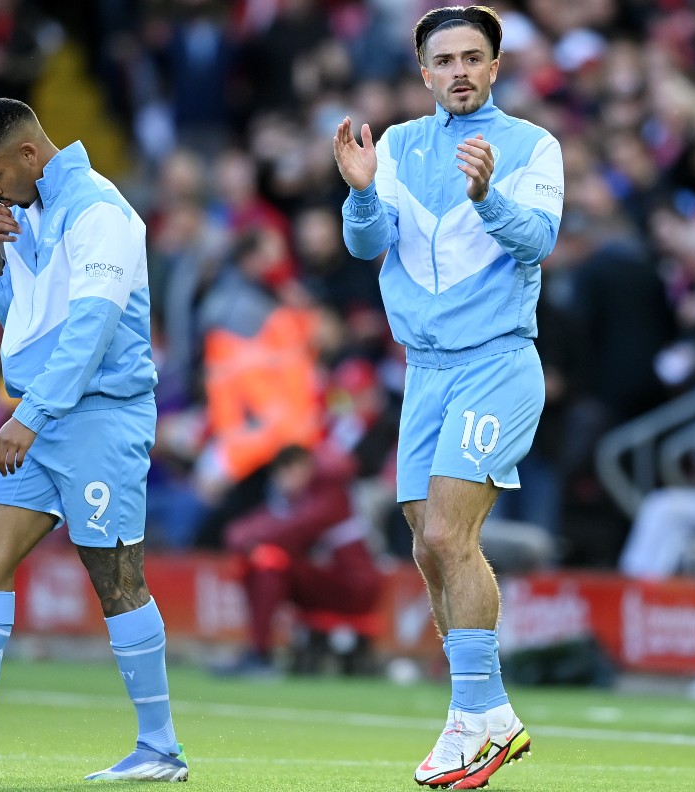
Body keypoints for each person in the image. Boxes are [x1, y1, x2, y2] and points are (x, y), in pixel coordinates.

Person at [0, 98, 188, 782]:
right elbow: (23, 322)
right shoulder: (29, 214)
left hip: (99, 417)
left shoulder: (102, 212)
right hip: (42, 417)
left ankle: (161, 749)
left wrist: (30, 416)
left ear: (28, 154)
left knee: (116, 578)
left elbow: (92, 332)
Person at [333, 6, 562, 790]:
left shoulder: (532, 145)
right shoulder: (394, 146)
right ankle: (480, 716)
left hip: (497, 360)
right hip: (423, 372)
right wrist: (361, 193)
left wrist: (488, 195)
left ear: (496, 67)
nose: (460, 70)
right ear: (423, 71)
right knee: (426, 544)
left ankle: (482, 716)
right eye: (445, 60)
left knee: (445, 535)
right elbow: (367, 245)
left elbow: (538, 241)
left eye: (474, 57)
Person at [218, 445, 382, 677]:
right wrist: (240, 538)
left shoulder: (328, 496)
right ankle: (257, 651)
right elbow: (253, 527)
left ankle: (259, 655)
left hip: (353, 587)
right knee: (263, 561)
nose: (283, 479)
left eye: (289, 470)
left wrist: (242, 539)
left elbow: (291, 530)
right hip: (330, 580)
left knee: (270, 564)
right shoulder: (301, 498)